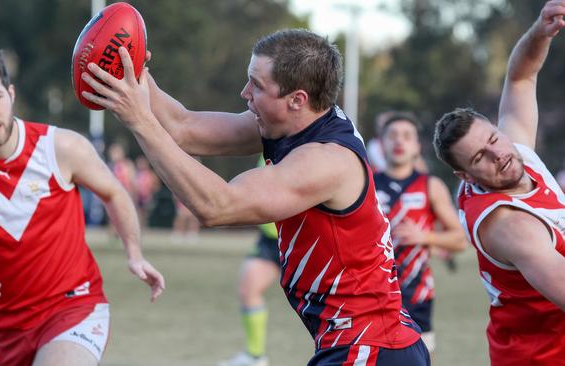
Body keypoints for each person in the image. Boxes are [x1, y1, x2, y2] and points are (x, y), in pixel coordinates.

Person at [81, 29, 429, 365]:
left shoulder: (326, 160)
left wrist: (140, 120)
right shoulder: (293, 123)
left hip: (372, 346)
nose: (244, 92)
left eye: (257, 85)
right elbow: (183, 127)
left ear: (297, 100)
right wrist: (135, 67)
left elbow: (217, 206)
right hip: (362, 343)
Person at [0, 47, 164, 366]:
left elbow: (114, 192)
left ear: (10, 94)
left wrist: (134, 253)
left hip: (75, 306)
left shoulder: (60, 147)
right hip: (9, 329)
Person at [433, 2, 565, 364]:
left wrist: (540, 31)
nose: (498, 155)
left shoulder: (515, 153)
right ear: (465, 176)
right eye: (480, 158)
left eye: (493, 139)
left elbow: (521, 77)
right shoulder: (508, 223)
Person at [374, 112, 467, 355]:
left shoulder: (430, 186)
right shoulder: (367, 185)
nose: (398, 142)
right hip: (373, 294)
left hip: (417, 294)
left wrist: (425, 237)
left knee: (419, 359)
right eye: (392, 136)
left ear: (417, 147)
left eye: (406, 136)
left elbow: (459, 239)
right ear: (381, 144)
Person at [219, 157, 280, 366]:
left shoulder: (303, 143)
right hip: (270, 240)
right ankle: (255, 356)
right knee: (248, 288)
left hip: (303, 238)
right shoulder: (266, 143)